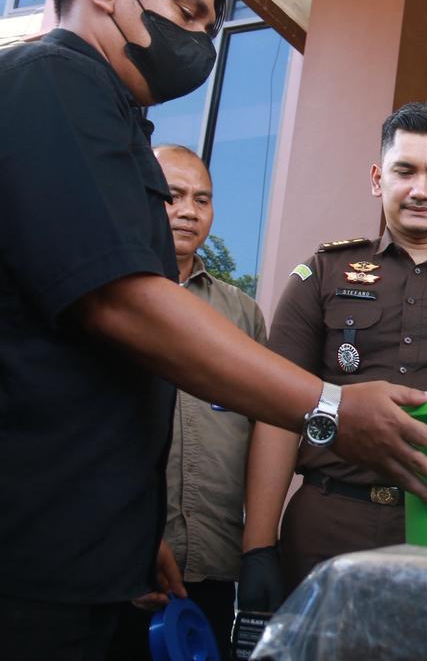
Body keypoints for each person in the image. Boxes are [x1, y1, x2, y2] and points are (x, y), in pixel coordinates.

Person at [0, 0, 427, 657]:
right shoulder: (53, 82)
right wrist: (331, 409)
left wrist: (130, 527)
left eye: (210, 29)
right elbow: (122, 303)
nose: (198, 45)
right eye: (185, 12)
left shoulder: (111, 117)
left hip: (87, 551)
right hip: (27, 564)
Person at [238, 103, 427, 611]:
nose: (421, 189)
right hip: (329, 524)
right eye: (405, 171)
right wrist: (258, 547)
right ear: (379, 179)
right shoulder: (324, 272)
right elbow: (276, 412)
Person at [105, 145, 265, 659]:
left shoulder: (241, 314)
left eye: (202, 199)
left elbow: (264, 429)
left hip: (213, 566)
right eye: (172, 196)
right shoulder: (105, 294)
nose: (189, 211)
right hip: (112, 565)